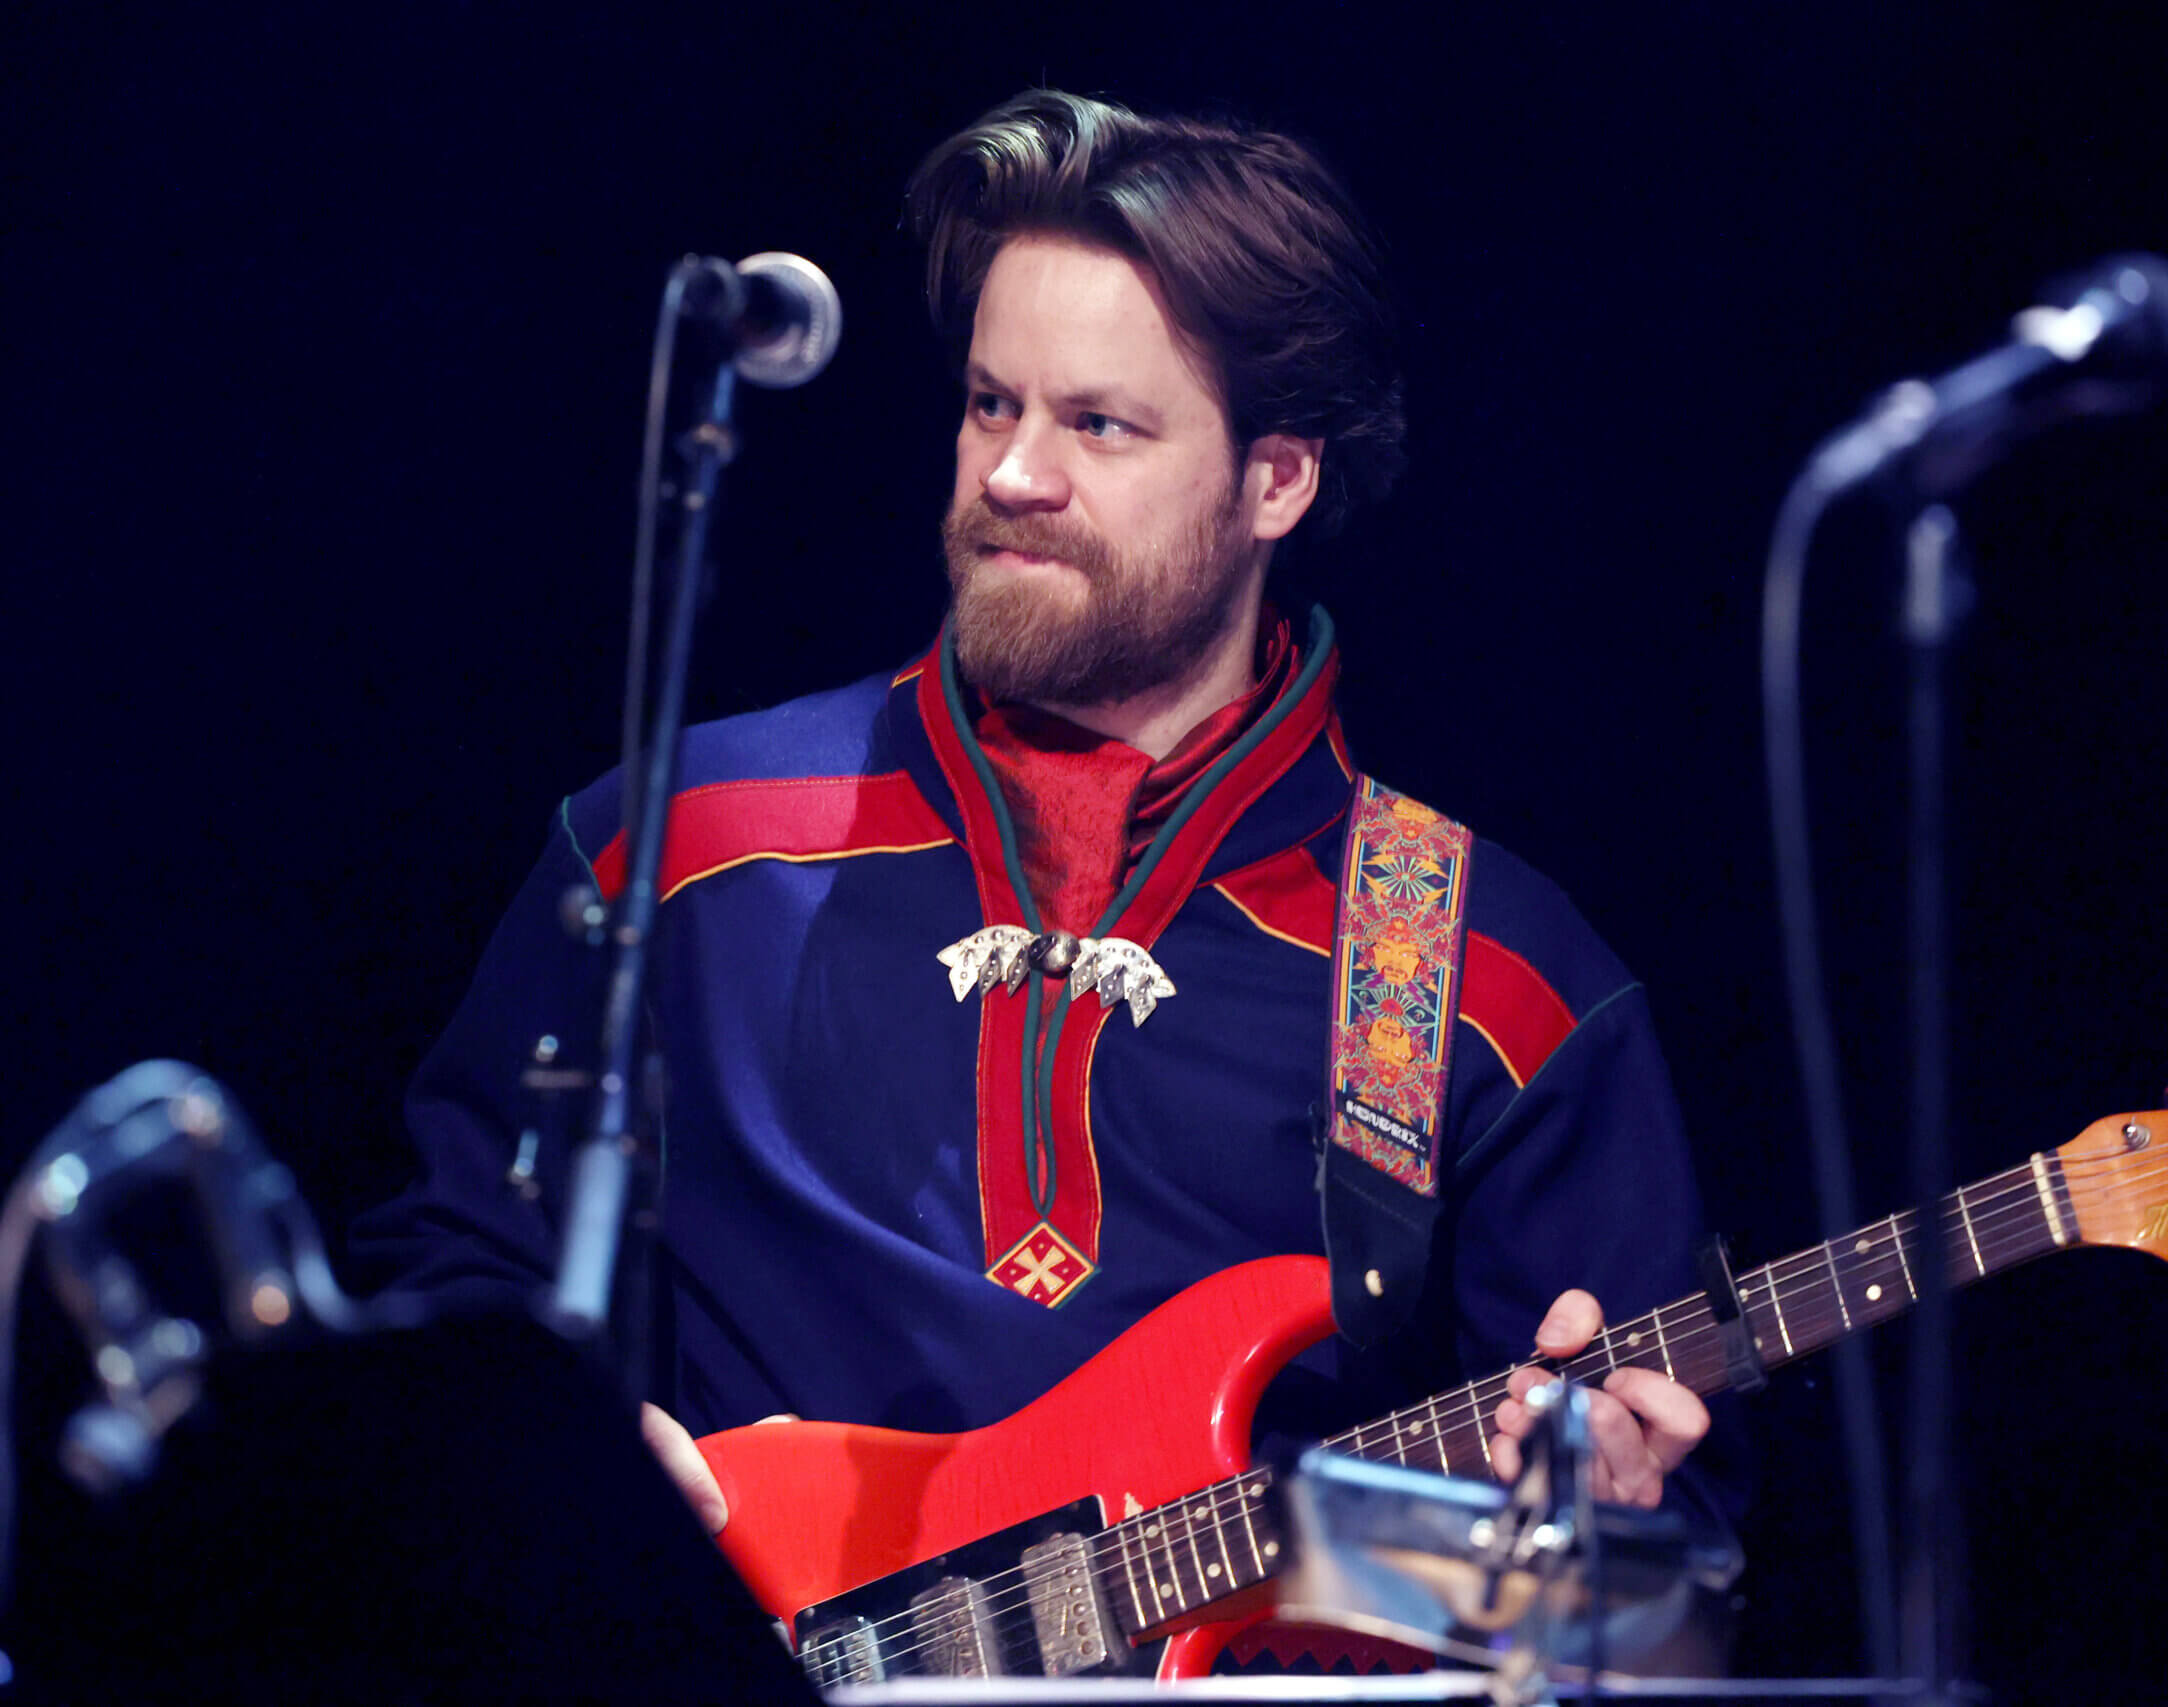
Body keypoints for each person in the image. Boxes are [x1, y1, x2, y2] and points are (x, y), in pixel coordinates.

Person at [355, 86, 1726, 1633]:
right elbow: (439, 1289)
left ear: (1276, 481)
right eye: (990, 405)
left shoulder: (1493, 982)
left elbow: (1654, 1606)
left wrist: (1594, 1539)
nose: (1012, 474)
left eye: (1097, 425)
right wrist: (564, 1473)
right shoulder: (681, 843)